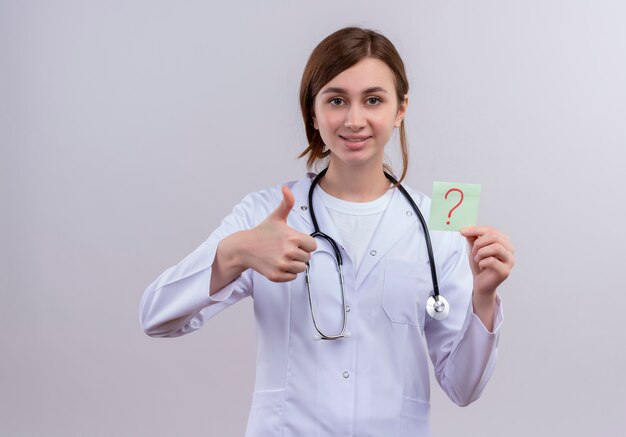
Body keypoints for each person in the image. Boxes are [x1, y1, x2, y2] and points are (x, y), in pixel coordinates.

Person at [140, 26, 515, 436]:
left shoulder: (439, 225)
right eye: (336, 100)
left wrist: (484, 297)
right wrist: (236, 253)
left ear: (400, 109)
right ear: (313, 113)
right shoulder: (267, 214)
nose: (355, 120)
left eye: (373, 100)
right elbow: (156, 317)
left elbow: (463, 388)